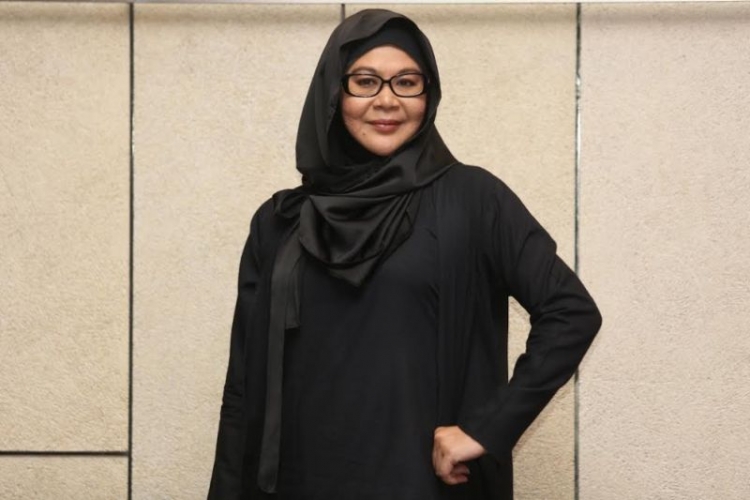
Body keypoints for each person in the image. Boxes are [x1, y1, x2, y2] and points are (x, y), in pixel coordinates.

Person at [208, 8, 601, 500]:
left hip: (422, 486)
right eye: (365, 82)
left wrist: (486, 429)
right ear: (333, 92)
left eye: (407, 83)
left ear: (428, 95)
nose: (387, 100)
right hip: (296, 484)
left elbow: (571, 313)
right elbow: (243, 386)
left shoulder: (471, 200)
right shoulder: (280, 220)